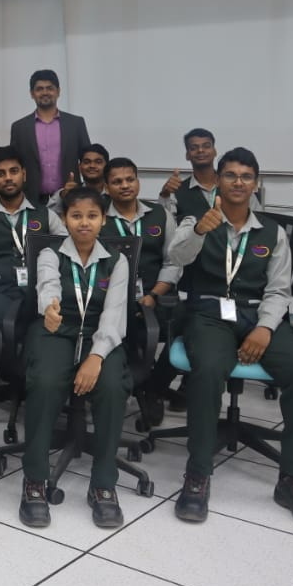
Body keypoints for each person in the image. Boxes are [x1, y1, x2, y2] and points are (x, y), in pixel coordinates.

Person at [168, 148, 293, 530]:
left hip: (258, 314)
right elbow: (176, 258)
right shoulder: (196, 220)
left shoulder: (273, 233)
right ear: (218, 181)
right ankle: (198, 473)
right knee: (209, 369)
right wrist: (199, 231)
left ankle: (292, 479)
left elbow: (278, 290)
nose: (238, 182)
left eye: (245, 176)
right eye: (230, 175)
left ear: (256, 184)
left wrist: (264, 328)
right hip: (209, 312)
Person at [20, 187, 131, 529]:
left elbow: (114, 315)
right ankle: (35, 479)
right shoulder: (51, 253)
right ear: (65, 219)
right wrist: (50, 309)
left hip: (100, 333)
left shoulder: (117, 260)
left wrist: (96, 357)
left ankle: (103, 484)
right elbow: (48, 288)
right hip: (57, 330)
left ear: (103, 220)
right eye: (76, 215)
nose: (84, 223)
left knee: (111, 387)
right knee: (45, 382)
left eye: (92, 216)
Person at [0, 145, 65, 448]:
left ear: (24, 174)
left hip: (39, 293)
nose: (8, 178)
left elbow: (65, 255)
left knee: (50, 336)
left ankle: (45, 413)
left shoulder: (46, 215)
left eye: (13, 171)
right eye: (1, 173)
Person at [102, 158, 181, 423]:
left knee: (188, 327)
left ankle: (155, 386)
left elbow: (173, 262)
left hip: (153, 294)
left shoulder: (160, 215)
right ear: (106, 187)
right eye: (117, 182)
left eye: (130, 179)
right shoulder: (97, 216)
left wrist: (154, 295)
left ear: (137, 181)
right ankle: (120, 382)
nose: (125, 185)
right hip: (108, 298)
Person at [8, 70, 91, 205]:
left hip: (70, 197)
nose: (45, 92)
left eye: (49, 88)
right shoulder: (19, 128)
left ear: (58, 91)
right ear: (32, 93)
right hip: (31, 199)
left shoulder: (76, 124)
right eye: (39, 89)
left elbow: (88, 159)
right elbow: (13, 164)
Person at [158, 128, 257, 222]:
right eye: (194, 148)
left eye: (206, 146)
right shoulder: (177, 191)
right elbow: (166, 226)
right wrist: (164, 195)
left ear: (215, 151)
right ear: (187, 155)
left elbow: (259, 221)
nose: (200, 150)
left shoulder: (237, 185)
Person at [49, 143, 110, 213]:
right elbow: (47, 215)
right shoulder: (68, 192)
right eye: (87, 162)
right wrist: (63, 197)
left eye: (98, 162)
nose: (92, 166)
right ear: (79, 167)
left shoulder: (114, 191)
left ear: (107, 167)